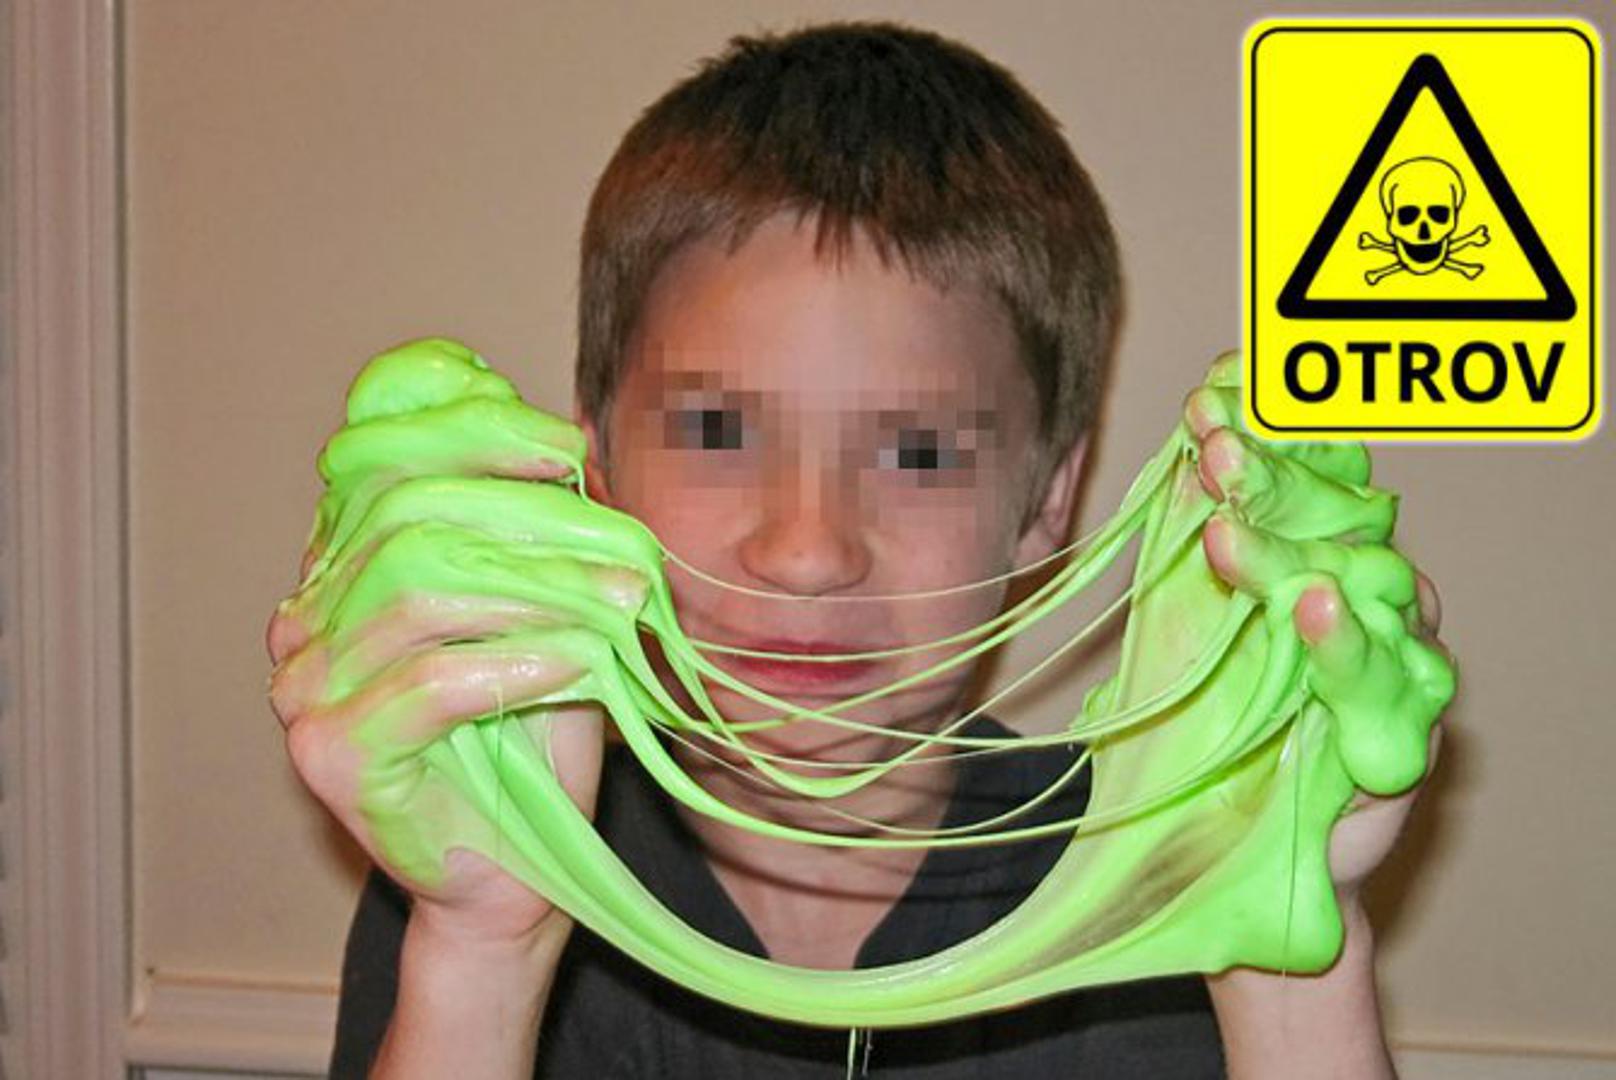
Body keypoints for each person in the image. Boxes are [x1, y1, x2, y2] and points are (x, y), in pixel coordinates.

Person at [266, 19, 1448, 1078]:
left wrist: (1280, 951)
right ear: (592, 468)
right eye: (717, 430)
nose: (806, 550)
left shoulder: (1154, 865)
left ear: (1048, 498)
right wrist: (481, 949)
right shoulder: (499, 838)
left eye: (916, 451)